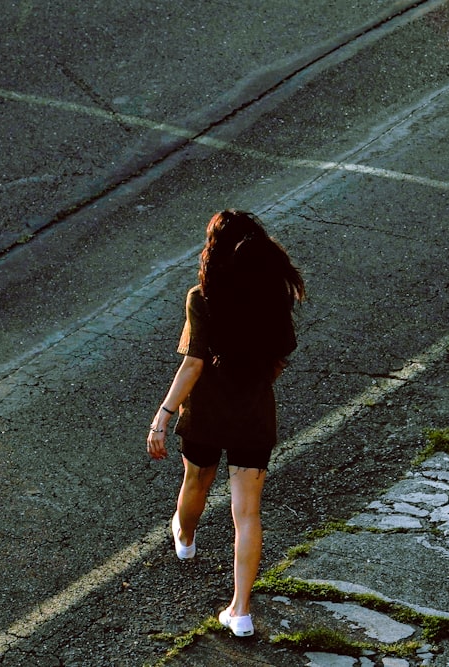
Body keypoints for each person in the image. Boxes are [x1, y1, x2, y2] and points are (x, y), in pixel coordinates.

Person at [146, 209, 305, 638]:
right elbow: (279, 357)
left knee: (196, 481)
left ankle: (186, 539)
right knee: (247, 512)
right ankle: (240, 612)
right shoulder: (273, 295)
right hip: (253, 416)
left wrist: (163, 415)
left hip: (205, 414)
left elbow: (193, 363)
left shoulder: (203, 296)